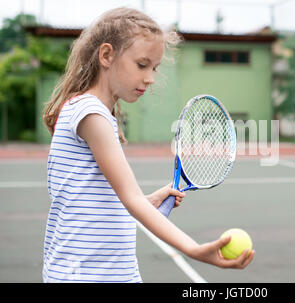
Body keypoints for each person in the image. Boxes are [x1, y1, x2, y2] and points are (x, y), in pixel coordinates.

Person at [41, 7, 255, 283]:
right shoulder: (91, 114)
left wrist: (150, 202)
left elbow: (106, 202)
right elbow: (130, 200)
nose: (150, 78)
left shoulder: (88, 111)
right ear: (106, 56)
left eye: (154, 68)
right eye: (142, 65)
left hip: (110, 273)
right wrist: (194, 249)